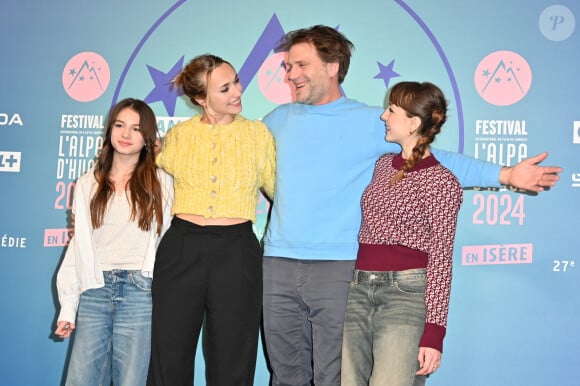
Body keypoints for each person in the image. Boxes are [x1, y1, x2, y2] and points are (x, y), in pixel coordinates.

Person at [260, 25, 561, 386]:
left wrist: (507, 174)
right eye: (289, 66)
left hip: (339, 267)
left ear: (332, 66)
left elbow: (438, 160)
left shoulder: (374, 122)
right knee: (284, 375)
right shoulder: (275, 120)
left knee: (333, 377)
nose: (290, 74)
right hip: (276, 263)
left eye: (300, 64)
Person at [146, 54, 276, 386]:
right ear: (201, 99)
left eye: (235, 81)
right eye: (225, 88)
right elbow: (149, 188)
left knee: (233, 361)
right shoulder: (178, 137)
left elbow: (280, 193)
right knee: (168, 358)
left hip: (238, 253)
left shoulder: (258, 135)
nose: (237, 92)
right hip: (181, 249)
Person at [341, 81, 463, 385]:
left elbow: (441, 259)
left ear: (413, 123)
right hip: (358, 289)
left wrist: (434, 332)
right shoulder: (382, 165)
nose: (384, 116)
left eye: (392, 110)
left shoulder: (443, 182)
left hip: (406, 296)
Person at [55, 98, 174, 386]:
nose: (125, 134)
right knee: (81, 380)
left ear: (147, 137)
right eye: (120, 125)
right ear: (110, 129)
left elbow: (168, 241)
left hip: (140, 292)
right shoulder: (87, 184)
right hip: (94, 291)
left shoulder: (162, 182)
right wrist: (68, 307)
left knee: (131, 381)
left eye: (135, 128)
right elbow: (78, 247)